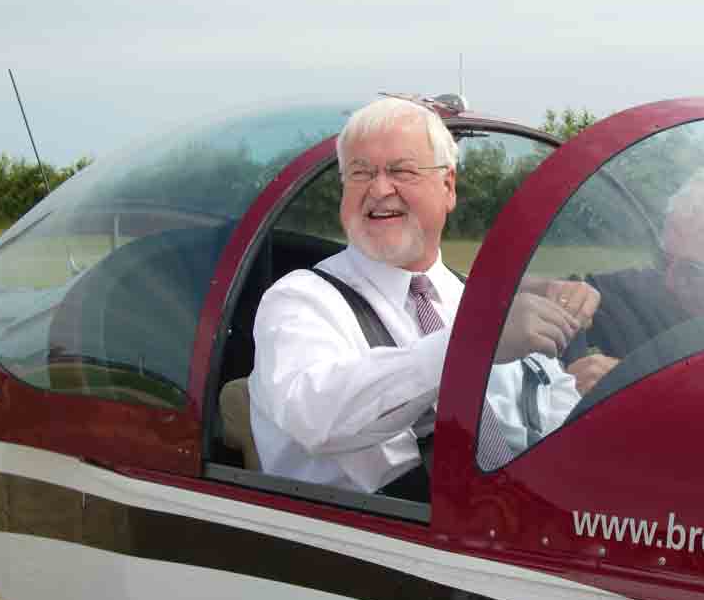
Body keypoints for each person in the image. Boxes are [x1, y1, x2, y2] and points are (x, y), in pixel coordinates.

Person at [248, 97, 595, 494]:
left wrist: (592, 396)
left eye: (401, 171)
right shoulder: (299, 300)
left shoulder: (474, 298)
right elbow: (316, 417)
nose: (379, 189)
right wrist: (472, 345)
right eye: (360, 173)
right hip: (369, 546)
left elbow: (540, 416)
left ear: (448, 187)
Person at [565, 167, 704, 394]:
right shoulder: (645, 289)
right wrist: (549, 294)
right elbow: (564, 294)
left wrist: (642, 387)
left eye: (693, 270)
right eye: (664, 260)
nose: (670, 282)